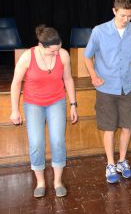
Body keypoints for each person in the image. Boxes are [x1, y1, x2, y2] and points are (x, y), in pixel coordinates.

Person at [10, 25, 78, 198]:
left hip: (56, 101)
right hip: (33, 103)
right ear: (41, 46)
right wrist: (14, 110)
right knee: (36, 144)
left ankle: (57, 182)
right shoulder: (27, 57)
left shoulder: (62, 54)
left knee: (57, 142)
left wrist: (73, 104)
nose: (56, 54)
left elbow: (68, 79)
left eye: (58, 49)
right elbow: (16, 83)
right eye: (52, 52)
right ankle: (40, 182)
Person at [84, 0, 131, 183]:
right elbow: (87, 56)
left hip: (126, 87)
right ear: (114, 11)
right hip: (106, 87)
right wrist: (94, 76)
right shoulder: (99, 31)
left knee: (127, 126)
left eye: (130, 16)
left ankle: (122, 161)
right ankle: (110, 164)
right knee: (109, 128)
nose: (126, 20)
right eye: (123, 16)